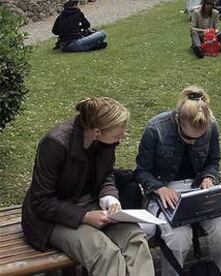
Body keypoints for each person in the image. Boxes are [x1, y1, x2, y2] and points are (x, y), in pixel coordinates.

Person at [22, 97, 154, 276]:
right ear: (97, 131)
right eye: (118, 134)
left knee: (135, 238)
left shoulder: (106, 141)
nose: (122, 137)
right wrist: (84, 216)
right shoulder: (55, 143)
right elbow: (41, 201)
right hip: (50, 217)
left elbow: (107, 174)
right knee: (104, 252)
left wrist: (110, 197)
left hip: (91, 205)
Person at [135, 86, 221, 276]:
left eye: (199, 137)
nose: (192, 142)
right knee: (177, 238)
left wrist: (209, 177)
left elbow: (213, 162)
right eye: (187, 137)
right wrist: (159, 188)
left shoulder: (211, 125)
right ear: (178, 120)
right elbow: (141, 171)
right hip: (164, 191)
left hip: (199, 190)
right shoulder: (155, 128)